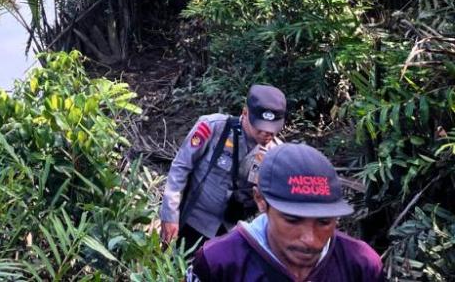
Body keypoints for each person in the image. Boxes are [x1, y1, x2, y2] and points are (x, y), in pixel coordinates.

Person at [187, 143, 384, 281]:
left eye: (324, 222)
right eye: (292, 220)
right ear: (261, 201)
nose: (310, 240)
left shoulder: (361, 265)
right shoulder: (218, 261)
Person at [161, 85, 287, 247]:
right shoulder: (213, 127)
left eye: (272, 129)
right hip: (193, 223)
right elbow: (181, 167)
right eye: (260, 127)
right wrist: (170, 215)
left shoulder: (277, 154)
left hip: (233, 236)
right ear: (245, 113)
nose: (267, 133)